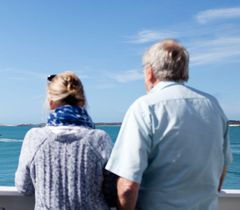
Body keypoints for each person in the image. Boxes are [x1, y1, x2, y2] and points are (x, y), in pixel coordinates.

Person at [105, 39, 232, 210]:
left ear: (150, 72)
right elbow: (222, 167)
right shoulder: (213, 106)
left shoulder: (145, 107)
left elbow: (128, 187)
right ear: (184, 70)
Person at [15, 71, 113, 210]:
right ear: (83, 102)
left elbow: (24, 188)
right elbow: (112, 194)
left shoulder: (35, 138)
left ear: (51, 103)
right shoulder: (99, 139)